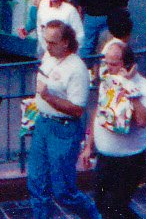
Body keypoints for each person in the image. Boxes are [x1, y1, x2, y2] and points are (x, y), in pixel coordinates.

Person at [24, 22, 98, 219]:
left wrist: (48, 97)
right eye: (45, 40)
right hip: (43, 125)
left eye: (52, 42)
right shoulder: (49, 57)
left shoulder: (77, 69)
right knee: (37, 182)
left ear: (65, 42)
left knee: (63, 190)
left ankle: (94, 215)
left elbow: (77, 110)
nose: (47, 46)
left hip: (63, 129)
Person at [86, 39, 146, 219]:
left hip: (128, 160)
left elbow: (142, 120)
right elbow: (98, 112)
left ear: (128, 65)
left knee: (113, 207)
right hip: (105, 157)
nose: (109, 69)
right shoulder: (108, 82)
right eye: (106, 63)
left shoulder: (145, 89)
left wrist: (129, 90)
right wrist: (89, 146)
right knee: (103, 204)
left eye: (114, 64)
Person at [21, 0, 85, 57]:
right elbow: (39, 26)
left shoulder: (70, 10)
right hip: (44, 50)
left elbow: (79, 34)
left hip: (64, 53)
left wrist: (70, 52)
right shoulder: (43, 4)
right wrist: (45, 47)